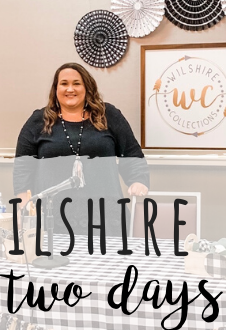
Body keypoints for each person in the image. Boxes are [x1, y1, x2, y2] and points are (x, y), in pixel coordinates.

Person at [14, 62, 149, 236]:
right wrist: (23, 203)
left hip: (106, 215)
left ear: (87, 87)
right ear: (56, 89)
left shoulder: (109, 115)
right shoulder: (38, 120)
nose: (70, 89)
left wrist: (138, 180)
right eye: (64, 83)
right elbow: (23, 165)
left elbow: (131, 153)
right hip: (53, 216)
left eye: (76, 83)